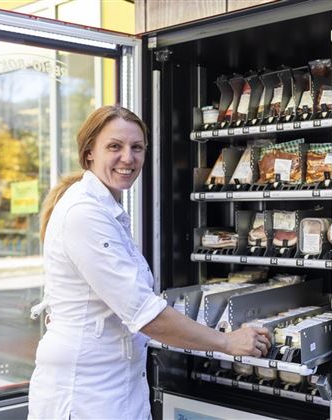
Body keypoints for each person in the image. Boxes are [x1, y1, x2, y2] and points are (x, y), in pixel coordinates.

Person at [27, 105, 271, 419]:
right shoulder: (84, 214)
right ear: (89, 153)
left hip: (113, 387)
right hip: (85, 394)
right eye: (114, 146)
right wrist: (226, 342)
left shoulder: (104, 207)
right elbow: (146, 315)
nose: (128, 158)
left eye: (137, 148)